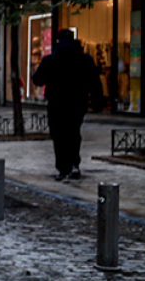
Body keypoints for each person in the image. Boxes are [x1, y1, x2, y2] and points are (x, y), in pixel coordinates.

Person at [32, 29, 103, 181]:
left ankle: (63, 167)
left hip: (57, 102)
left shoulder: (51, 60)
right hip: (78, 102)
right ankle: (74, 164)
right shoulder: (85, 59)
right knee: (73, 132)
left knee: (59, 135)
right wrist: (97, 102)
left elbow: (38, 79)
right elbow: (95, 83)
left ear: (58, 41)